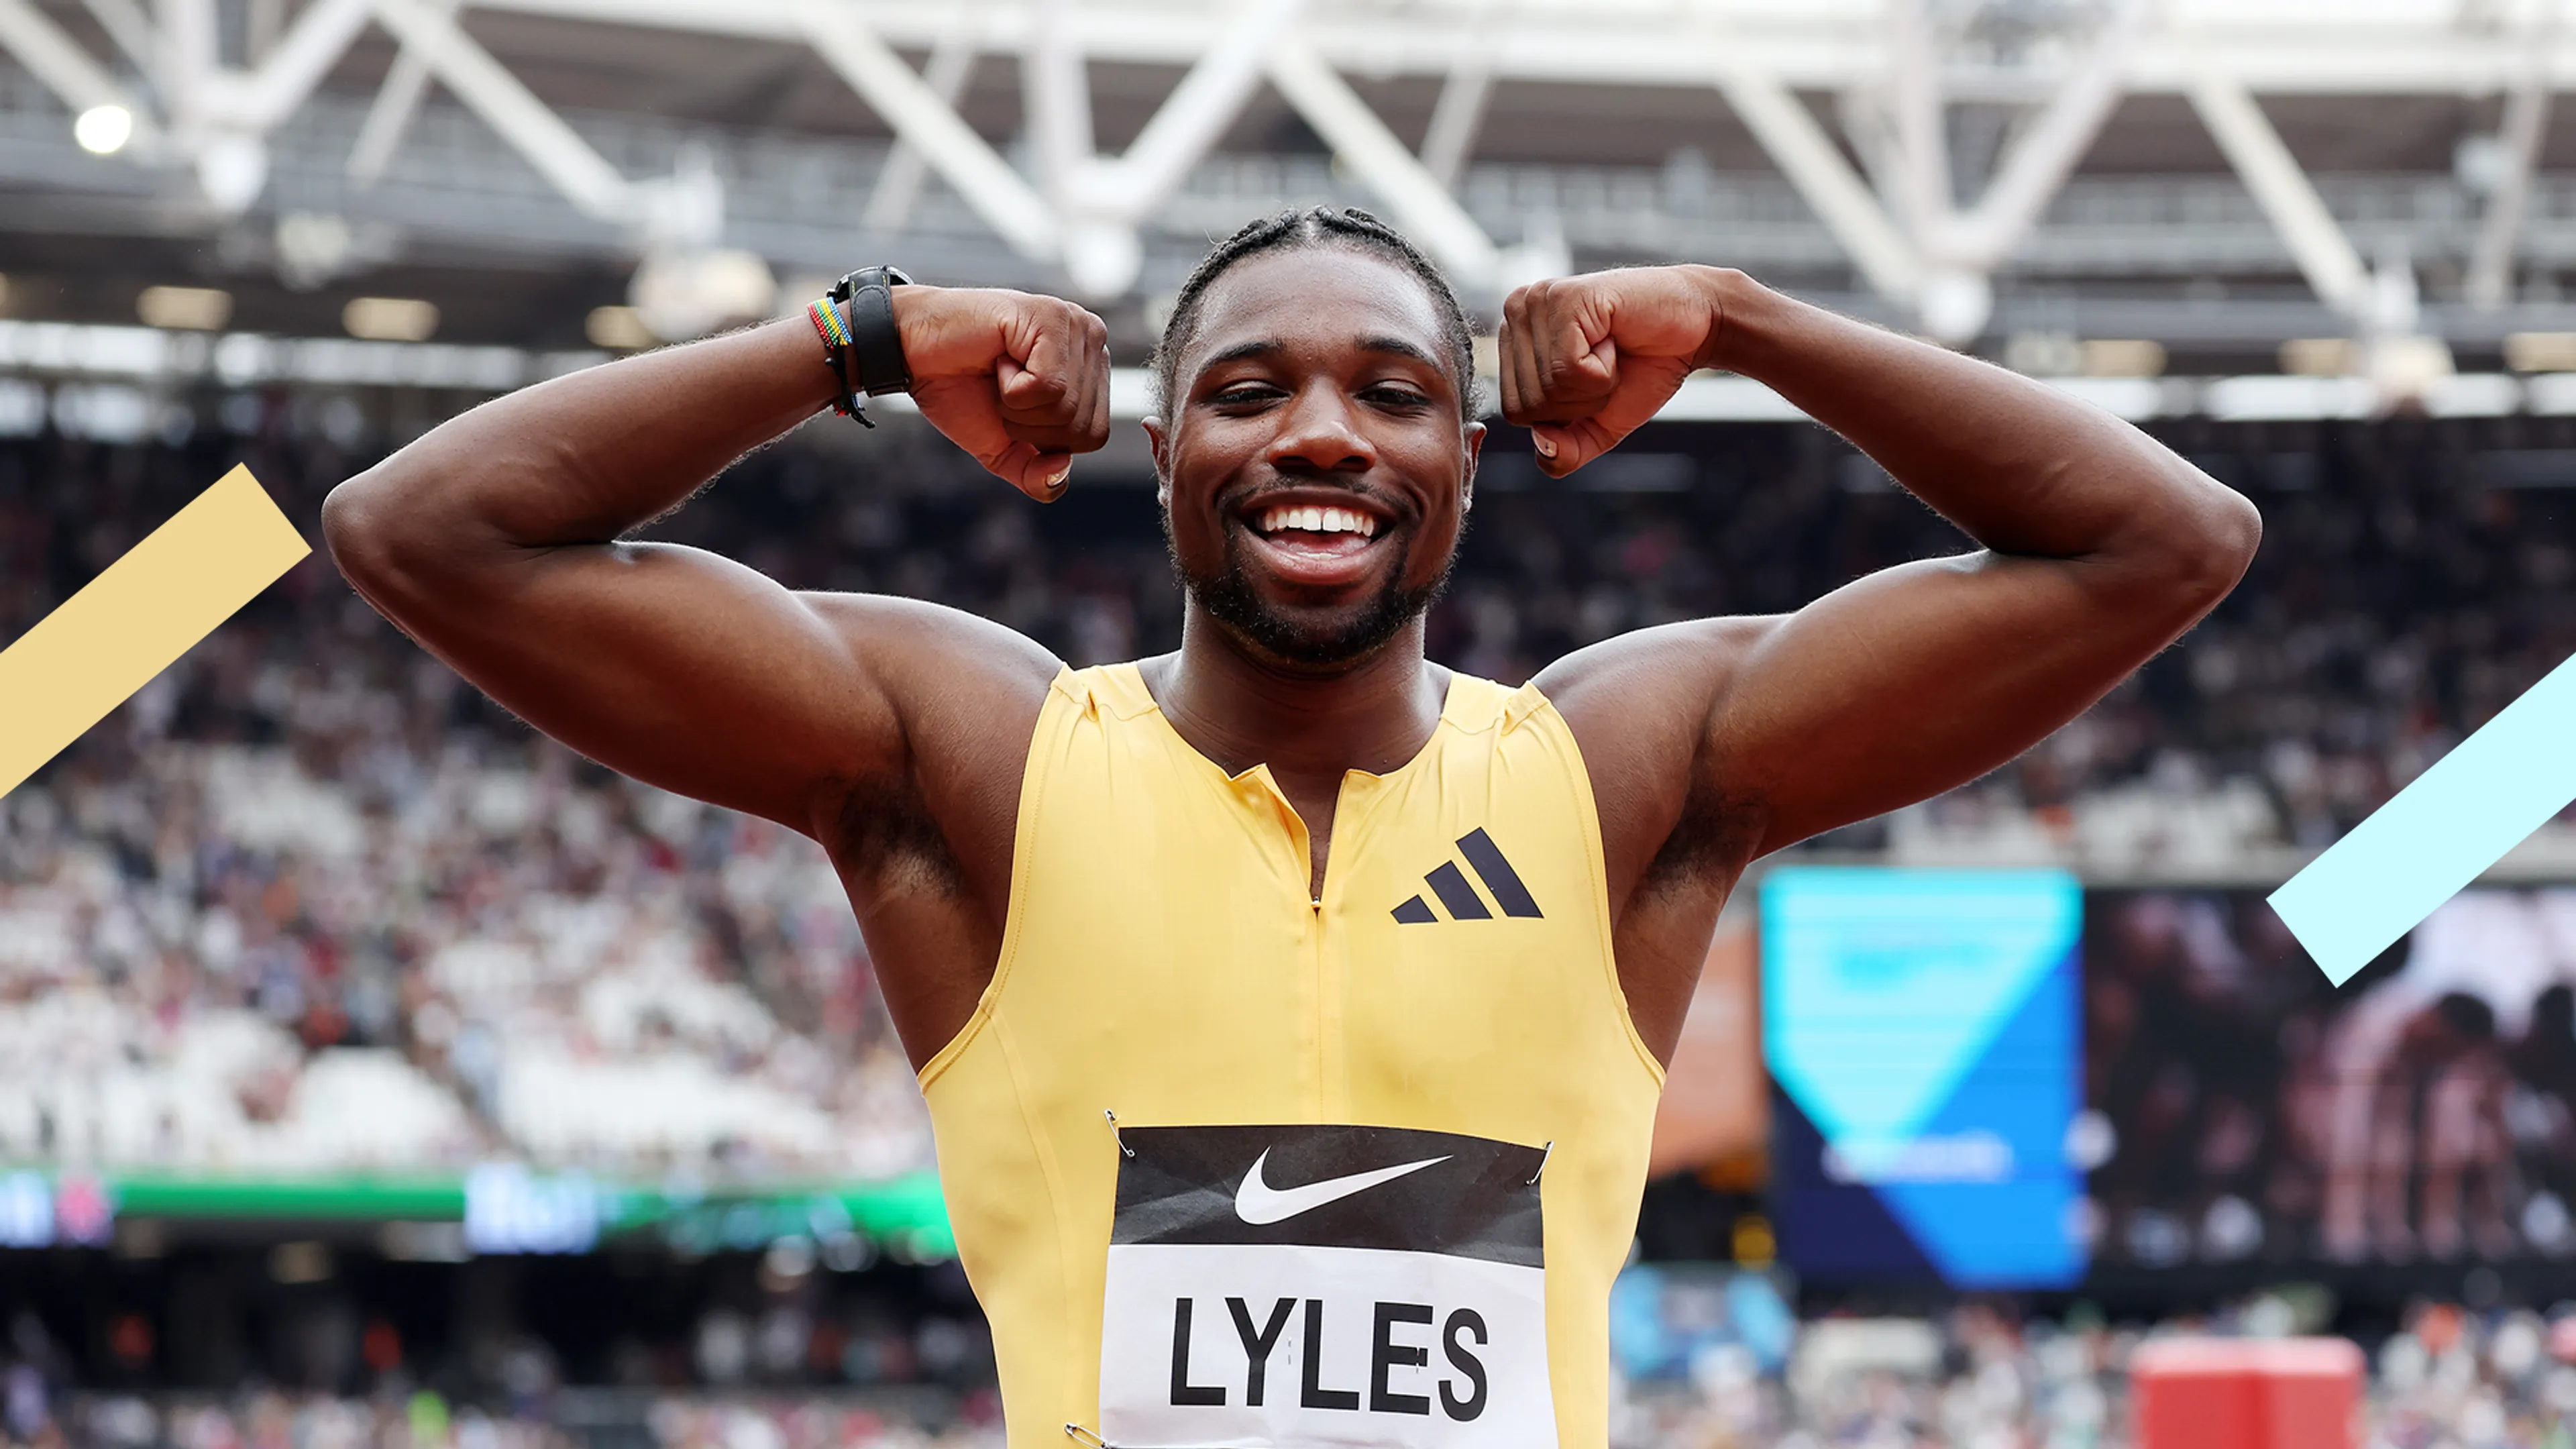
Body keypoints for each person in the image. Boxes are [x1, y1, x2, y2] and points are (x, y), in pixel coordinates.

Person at [323, 207, 2259, 1448]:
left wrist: (1745, 323)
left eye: (1393, 396)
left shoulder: (1615, 775)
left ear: (1465, 465)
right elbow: (423, 534)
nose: (1322, 434)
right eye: (1248, 392)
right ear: (1168, 455)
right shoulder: (985, 762)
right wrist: (859, 339)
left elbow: (2167, 540)